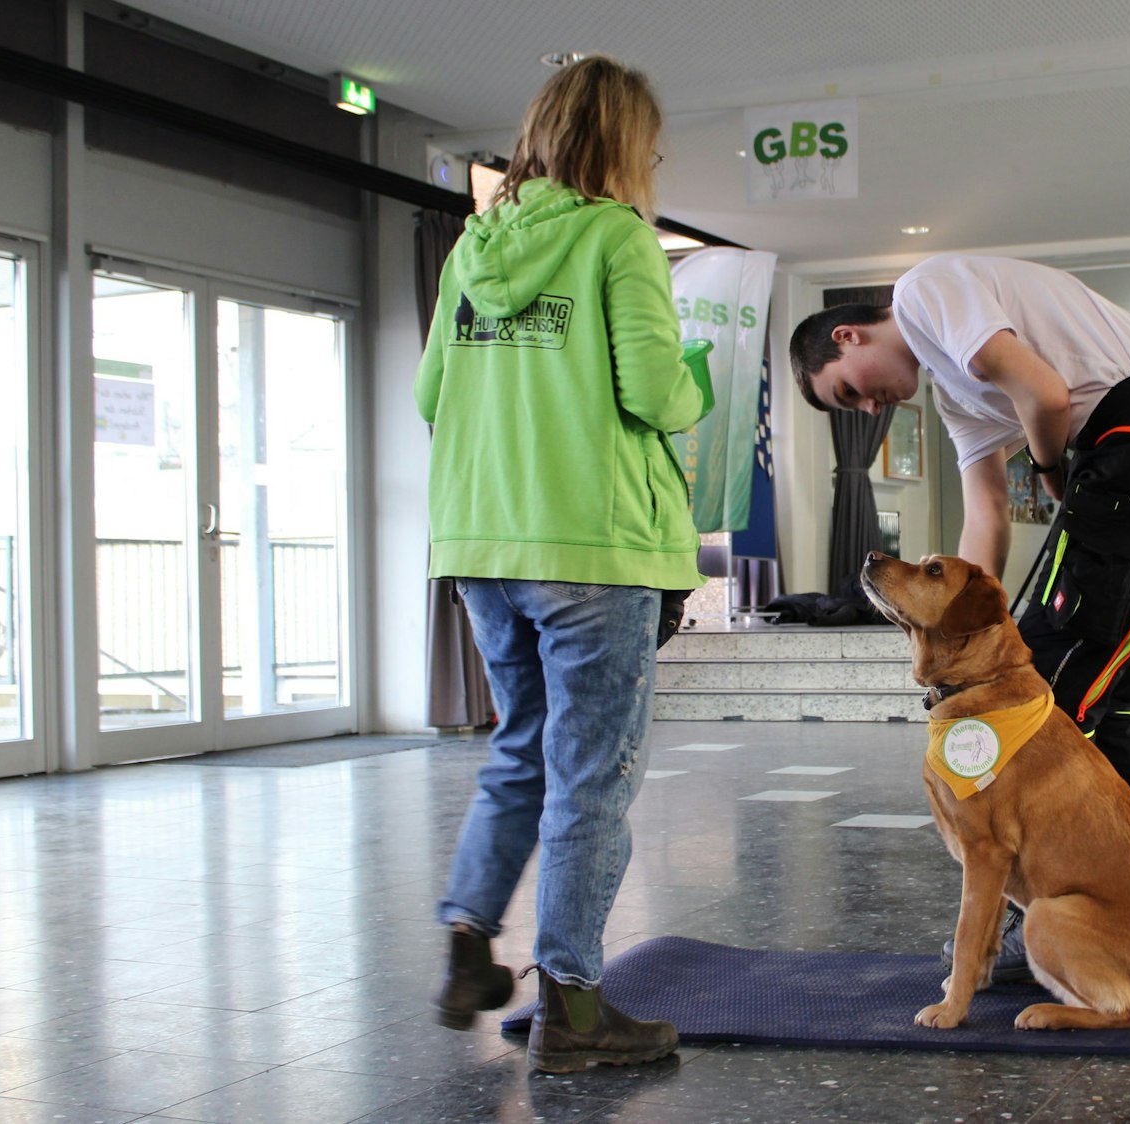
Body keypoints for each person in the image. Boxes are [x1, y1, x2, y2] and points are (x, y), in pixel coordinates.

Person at [790, 255, 1130, 980]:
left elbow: (1043, 392)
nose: (871, 411)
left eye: (851, 394)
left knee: (1042, 694)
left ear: (848, 336)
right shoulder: (956, 394)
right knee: (1096, 693)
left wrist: (1053, 472)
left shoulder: (923, 292)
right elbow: (986, 520)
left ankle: (1032, 917)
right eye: (858, 411)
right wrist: (952, 631)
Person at [415, 54, 706, 1073]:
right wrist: (697, 376)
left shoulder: (471, 245)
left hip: (483, 543)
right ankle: (576, 1012)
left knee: (520, 747)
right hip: (594, 543)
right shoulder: (617, 237)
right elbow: (657, 395)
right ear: (626, 144)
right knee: (592, 777)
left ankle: (467, 938)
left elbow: (426, 396)